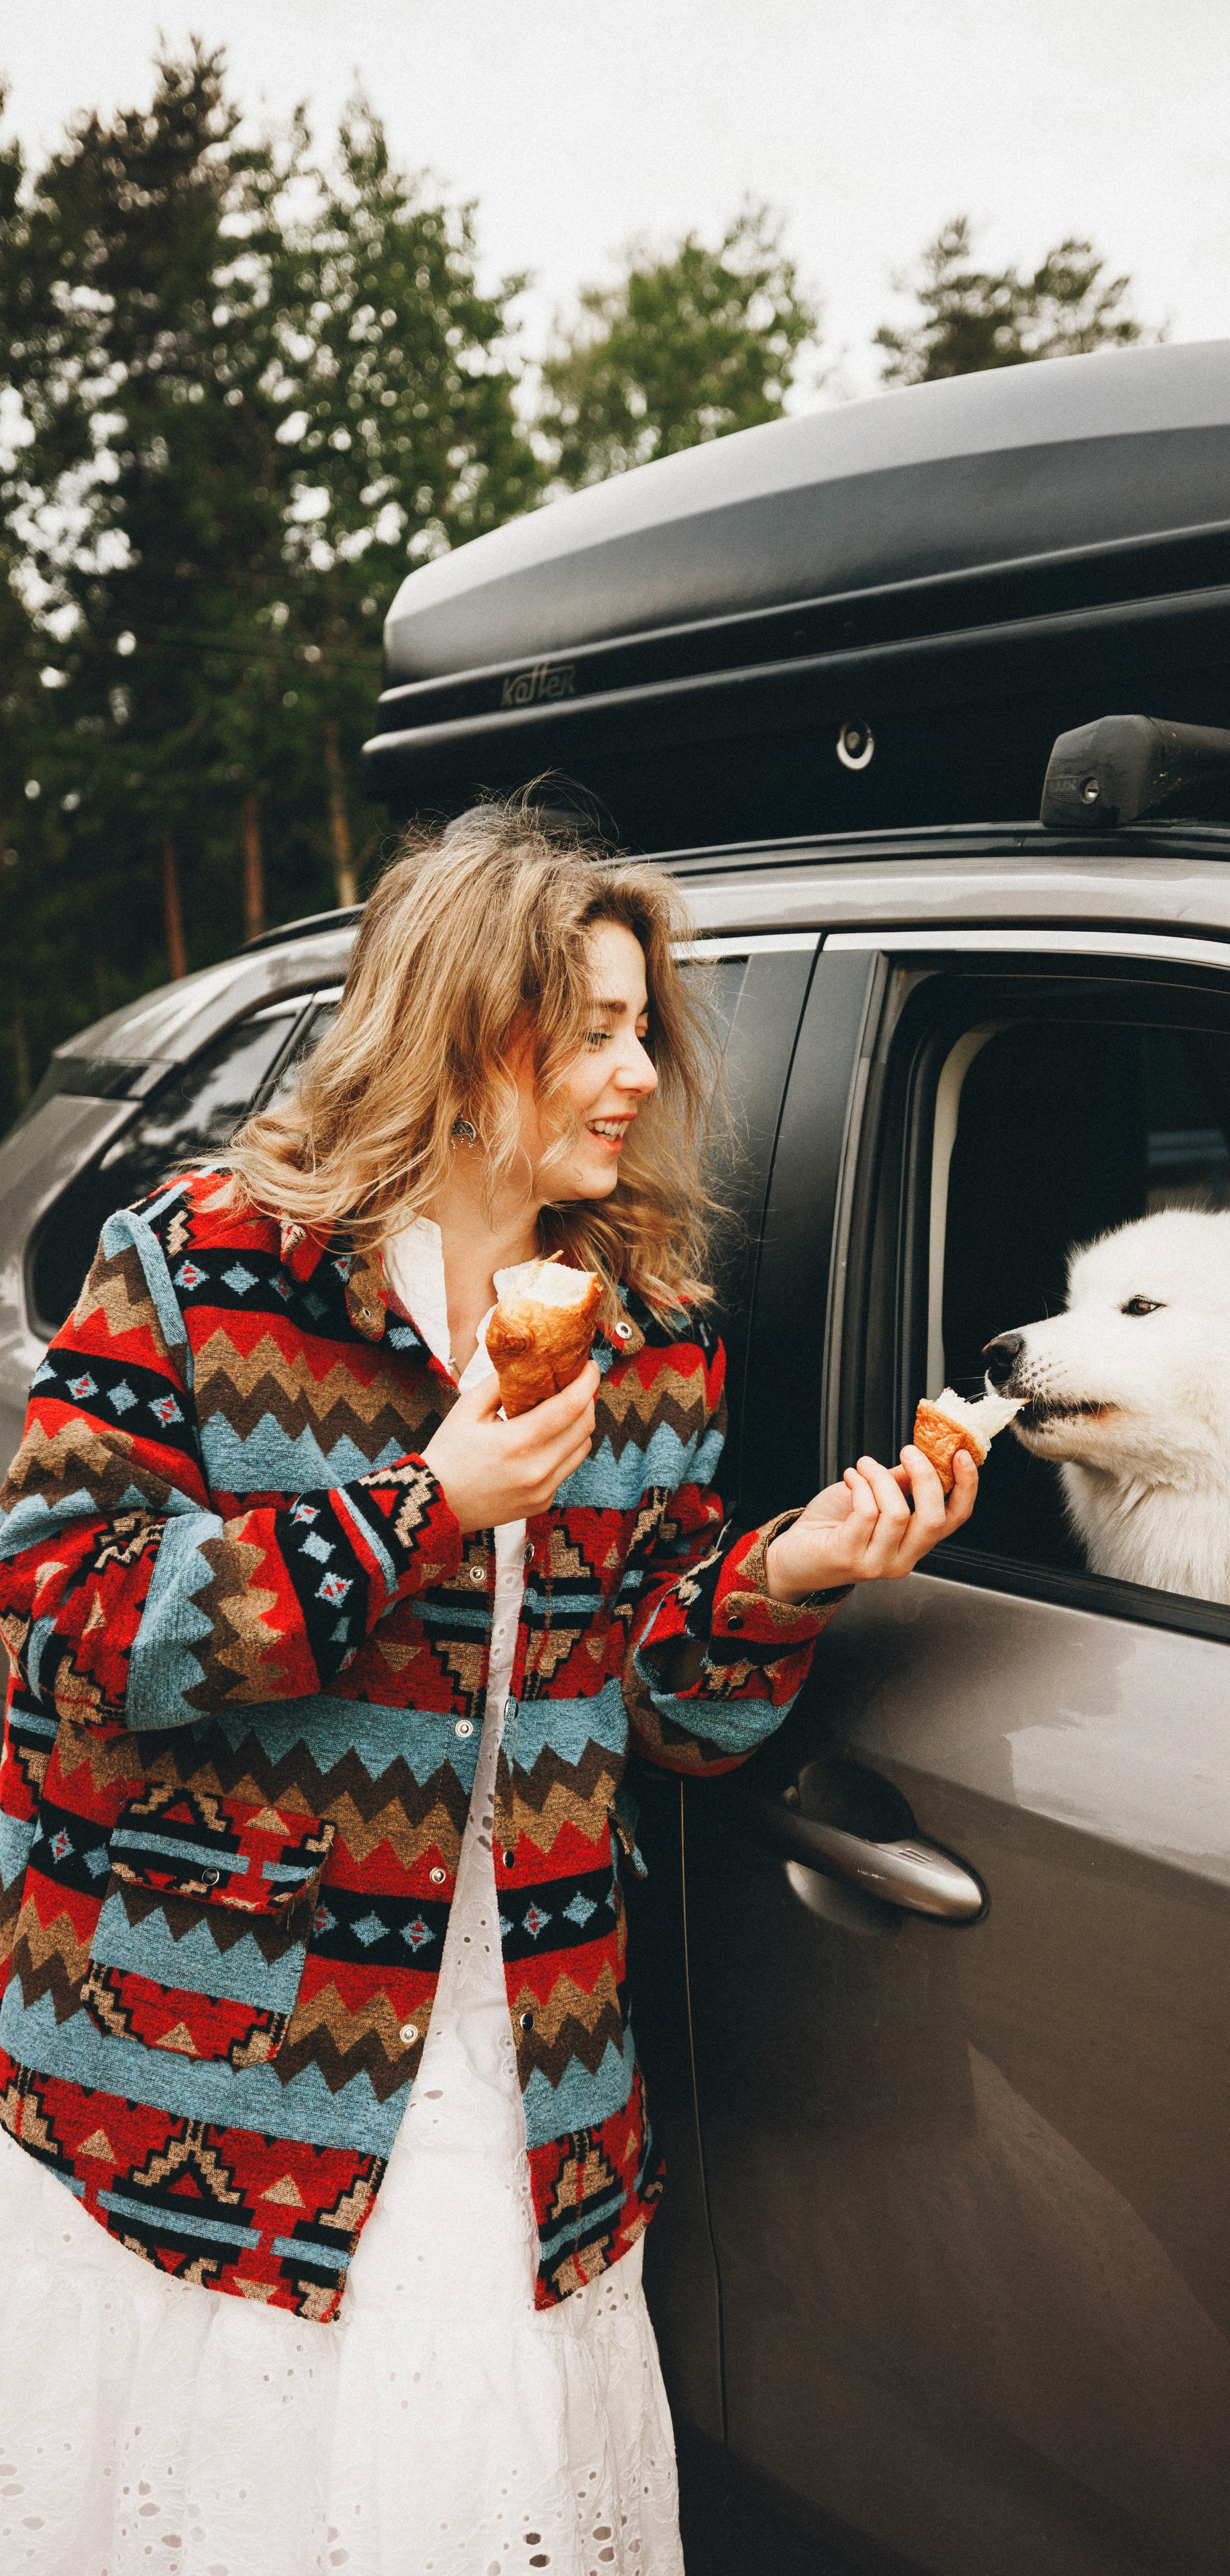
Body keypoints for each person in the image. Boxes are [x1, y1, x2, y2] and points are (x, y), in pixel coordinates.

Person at [0, 808, 976, 2575]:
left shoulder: (648, 1330)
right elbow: (64, 1634)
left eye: (642, 1029)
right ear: (461, 1035)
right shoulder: (206, 1273)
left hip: (531, 2059)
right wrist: (420, 1508)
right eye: (588, 1030)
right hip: (215, 2070)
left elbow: (661, 1712)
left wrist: (791, 1572)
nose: (636, 1071)